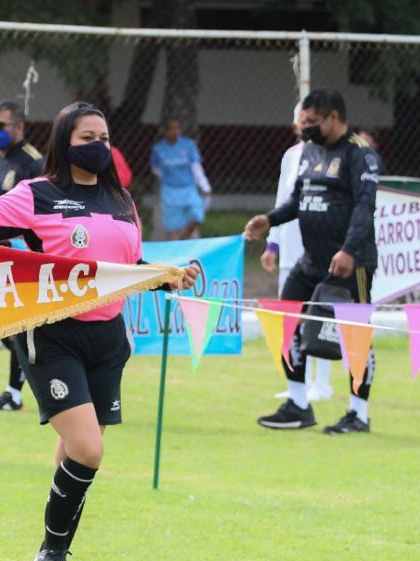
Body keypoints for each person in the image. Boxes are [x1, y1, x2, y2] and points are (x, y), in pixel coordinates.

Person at [0, 102, 198, 561]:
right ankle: (52, 556)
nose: (98, 145)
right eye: (86, 137)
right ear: (63, 142)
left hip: (108, 340)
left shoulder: (122, 200)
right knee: (88, 450)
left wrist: (167, 278)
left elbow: (128, 264)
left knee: (73, 454)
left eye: (104, 136)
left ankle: (52, 549)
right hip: (53, 335)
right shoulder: (35, 194)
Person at [244, 88, 381, 434]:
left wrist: (349, 250)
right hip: (311, 260)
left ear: (333, 117)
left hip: (353, 262)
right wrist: (270, 220)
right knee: (283, 320)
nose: (303, 128)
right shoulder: (309, 151)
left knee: (355, 334)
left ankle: (358, 413)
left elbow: (365, 208)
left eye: (311, 122)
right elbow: (298, 200)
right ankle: (298, 404)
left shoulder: (359, 154)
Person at [263, 104, 333, 403]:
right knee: (290, 318)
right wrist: (272, 243)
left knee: (322, 315)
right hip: (291, 249)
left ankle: (323, 382)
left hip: (319, 250)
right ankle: (298, 384)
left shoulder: (334, 157)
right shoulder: (290, 156)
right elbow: (283, 200)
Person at [0, 99, 44, 413]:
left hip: (18, 254)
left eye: (0, 125)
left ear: (19, 127)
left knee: (17, 323)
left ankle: (14, 393)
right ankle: (33, 369)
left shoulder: (33, 163)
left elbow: (41, 213)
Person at [151, 117, 211, 240]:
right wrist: (168, 178)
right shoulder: (158, 149)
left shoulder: (188, 145)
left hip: (188, 187)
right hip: (169, 189)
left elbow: (195, 166)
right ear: (166, 131)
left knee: (196, 214)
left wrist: (204, 185)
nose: (175, 132)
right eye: (171, 129)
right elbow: (156, 168)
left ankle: (184, 238)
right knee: (173, 224)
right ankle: (176, 248)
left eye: (177, 129)